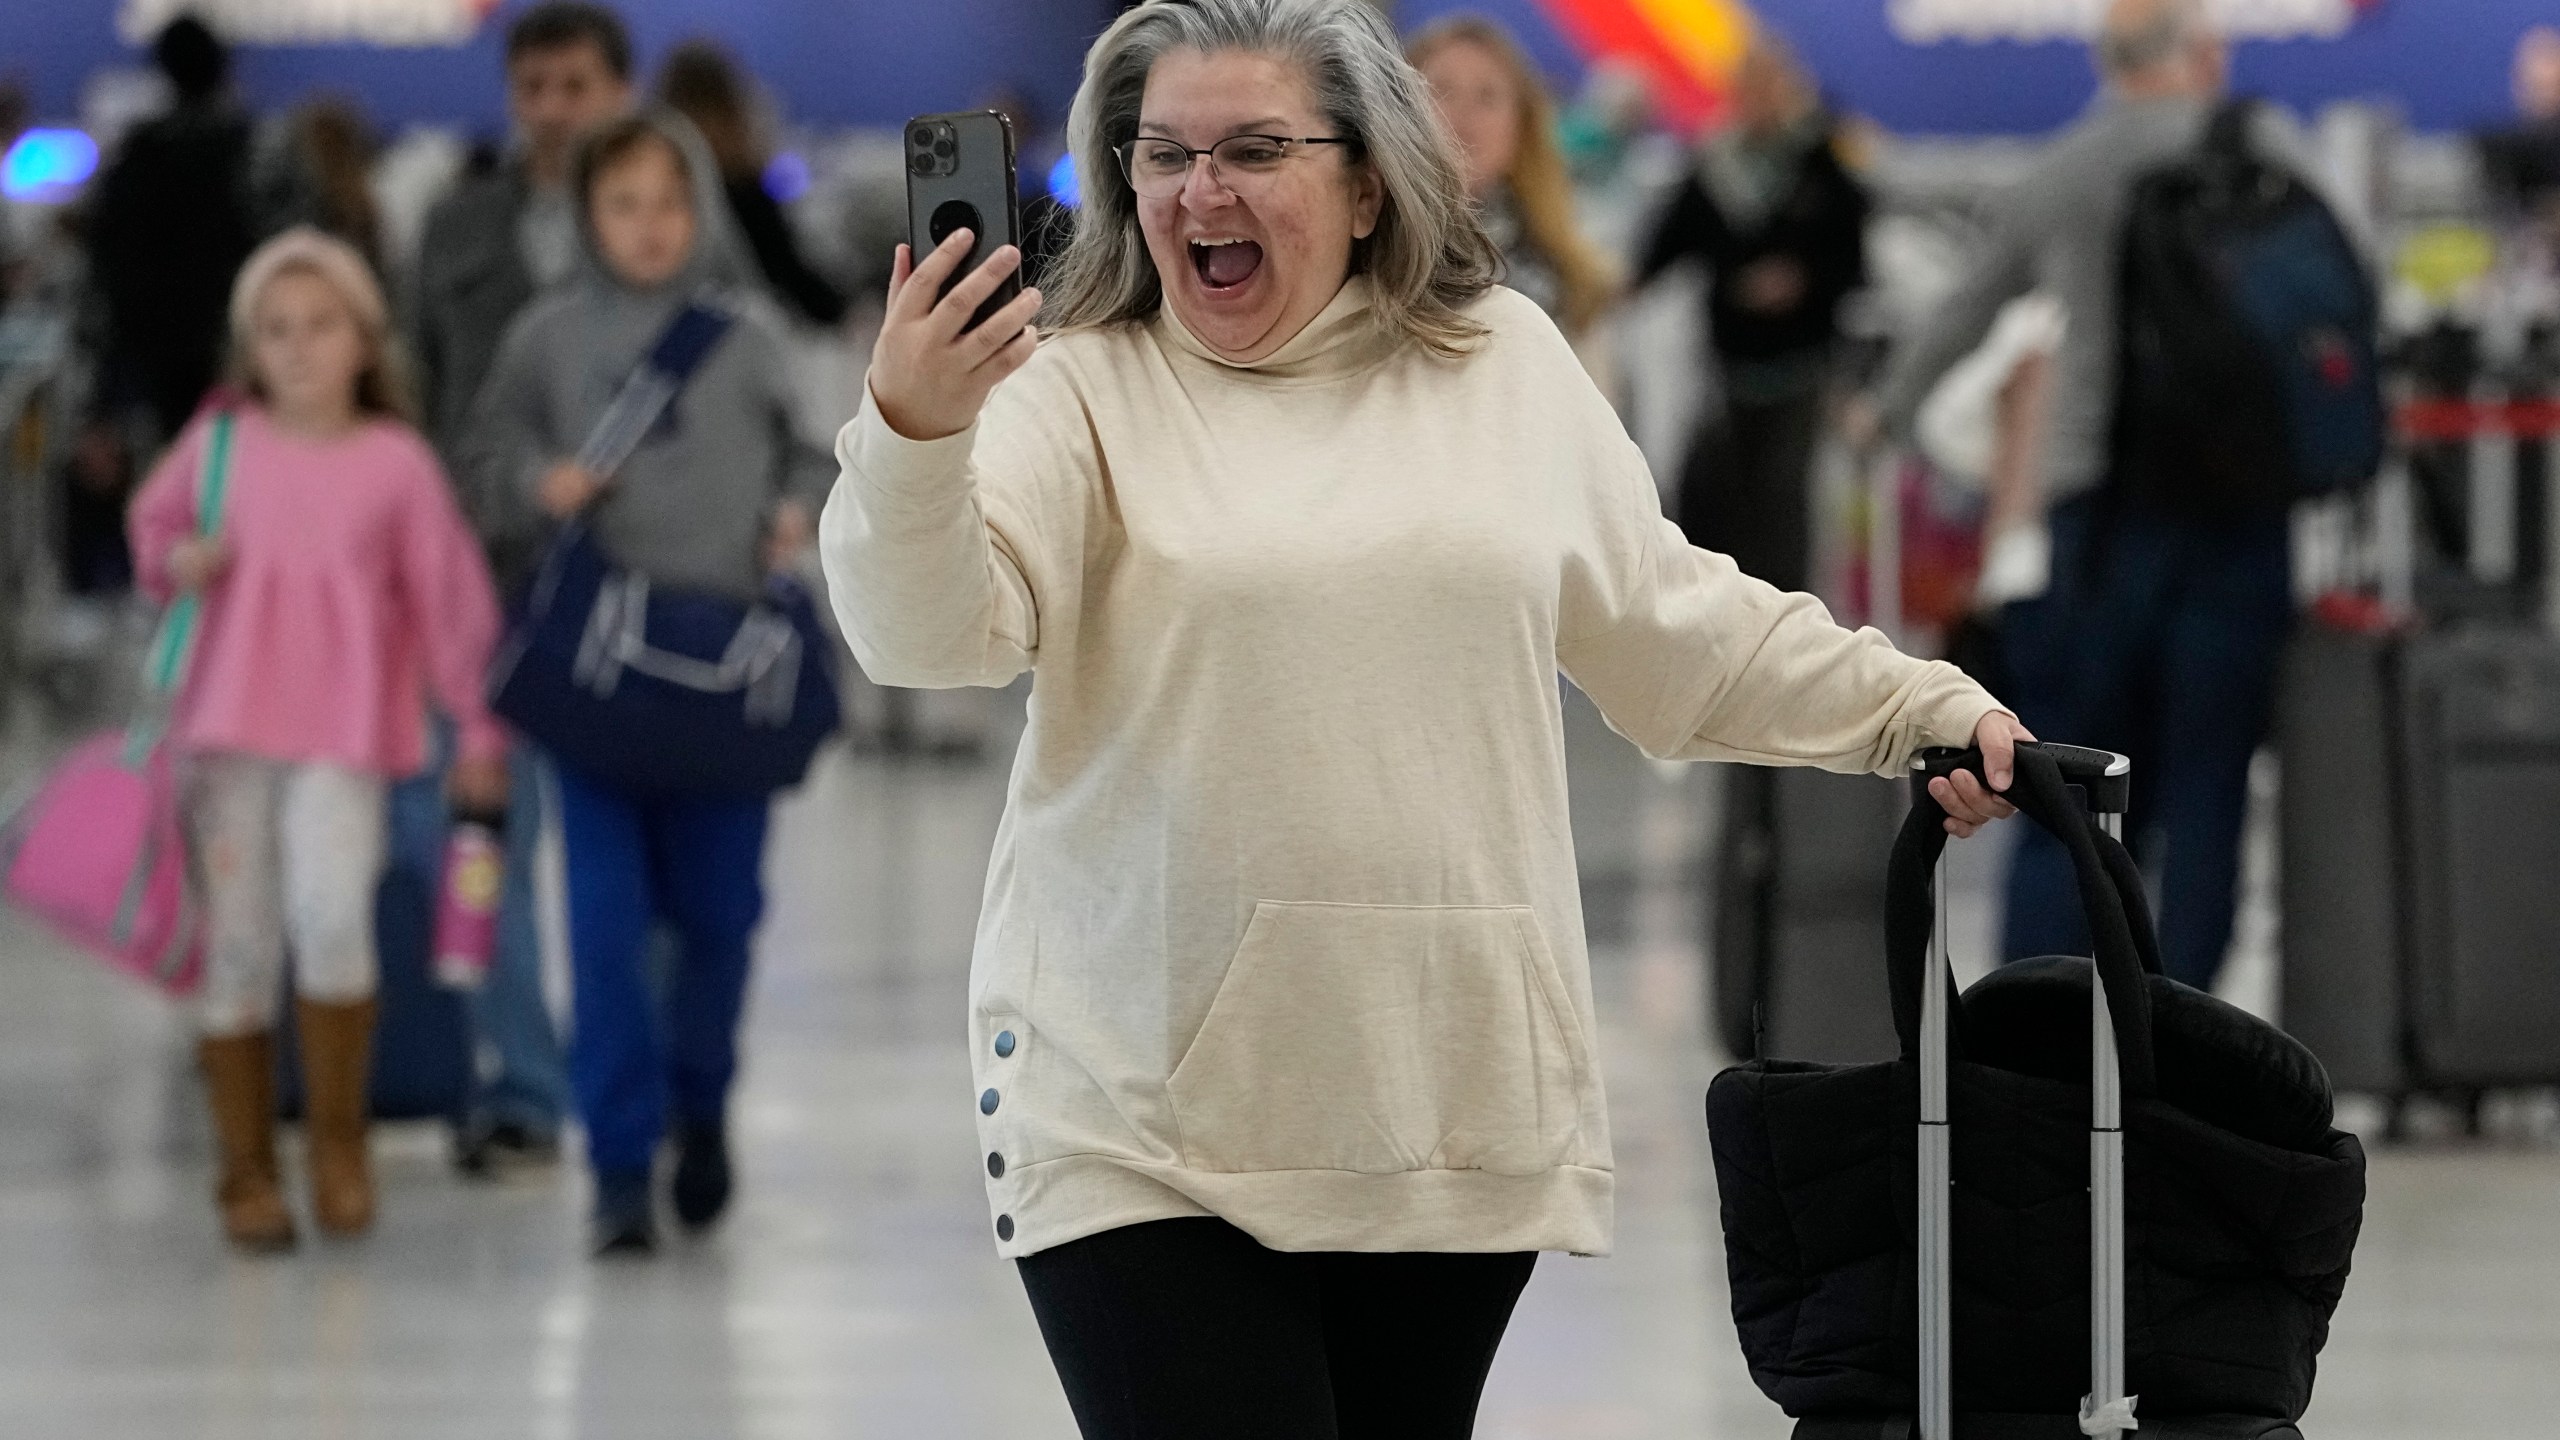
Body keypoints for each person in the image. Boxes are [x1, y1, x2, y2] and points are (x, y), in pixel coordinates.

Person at [823, 1, 2026, 1433]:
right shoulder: (1077, 385)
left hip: (1440, 1107)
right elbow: (929, 638)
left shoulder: (1501, 363)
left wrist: (1918, 708)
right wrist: (915, 435)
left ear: (1368, 176)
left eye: (1255, 149)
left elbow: (1669, 629)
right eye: (1163, 155)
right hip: (1138, 1118)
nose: (1199, 193)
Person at [470, 110, 833, 1255]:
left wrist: (796, 508)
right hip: (597, 687)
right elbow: (481, 466)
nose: (648, 226)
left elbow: (814, 455)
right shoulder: (543, 338)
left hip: (726, 679)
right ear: (586, 214)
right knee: (604, 926)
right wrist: (541, 483)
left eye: (669, 203)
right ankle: (619, 1166)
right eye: (622, 204)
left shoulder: (748, 336)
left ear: (702, 211)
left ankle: (703, 1104)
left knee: (722, 920)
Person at [1874, 0, 2291, 991]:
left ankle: (2040, 1018)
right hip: (2239, 519)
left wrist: (1884, 416)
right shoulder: (2267, 151)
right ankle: (2184, 1032)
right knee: (2208, 788)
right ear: (2200, 53)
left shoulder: (2064, 168)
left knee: (2068, 790)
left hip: (2095, 525)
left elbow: (1959, 320)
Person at [127, 229, 510, 1251]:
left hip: (344, 738)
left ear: (364, 340)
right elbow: (149, 531)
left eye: (320, 324)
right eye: (274, 329)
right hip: (227, 736)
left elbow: (450, 606)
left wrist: (475, 721)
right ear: (248, 346)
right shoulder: (219, 445)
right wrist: (179, 559)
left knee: (333, 916)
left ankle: (337, 1143)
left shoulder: (396, 466)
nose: (297, 347)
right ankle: (246, 1169)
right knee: (239, 942)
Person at [410, 0, 633, 1175]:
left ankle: (628, 1094)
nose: (552, 110)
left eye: (575, 86)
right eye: (533, 87)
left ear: (616, 92)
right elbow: (411, 390)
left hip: (635, 590)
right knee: (482, 838)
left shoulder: (667, 220)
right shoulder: (456, 225)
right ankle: (522, 1086)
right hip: (480, 585)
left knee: (625, 860)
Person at [1635, 30, 1867, 596]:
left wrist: (1802, 281)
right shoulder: (1715, 168)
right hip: (1724, 371)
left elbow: (1853, 263)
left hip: (1800, 370)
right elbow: (1665, 246)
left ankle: (1786, 629)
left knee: (1782, 509)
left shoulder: (1823, 170)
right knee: (1710, 501)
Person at [85, 15, 259, 446]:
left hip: (159, 359)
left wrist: (109, 390)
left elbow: (111, 270)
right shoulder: (250, 156)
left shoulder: (139, 159)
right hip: (235, 346)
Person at [1408, 14, 1617, 341]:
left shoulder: (1568, 284)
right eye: (1441, 89)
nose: (1462, 110)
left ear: (1522, 129)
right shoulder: (1360, 251)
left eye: (1487, 96)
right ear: (1396, 111)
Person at [656, 38, 850, 327]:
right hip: (737, 332)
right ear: (733, 100)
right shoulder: (747, 189)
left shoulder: (663, 187)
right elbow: (793, 276)